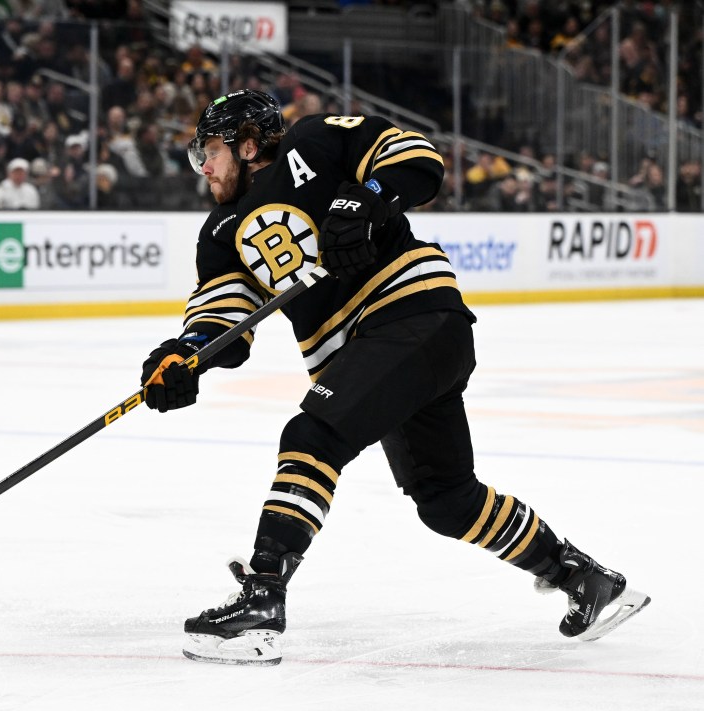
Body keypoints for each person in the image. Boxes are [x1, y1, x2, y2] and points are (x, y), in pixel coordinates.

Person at [139, 90, 650, 667]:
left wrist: (368, 198)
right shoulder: (218, 234)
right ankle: (581, 576)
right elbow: (221, 319)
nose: (202, 167)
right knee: (447, 501)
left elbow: (418, 161)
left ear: (248, 144)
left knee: (313, 436)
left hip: (414, 315)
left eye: (209, 151)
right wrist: (184, 356)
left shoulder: (314, 140)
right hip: (387, 352)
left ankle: (263, 598)